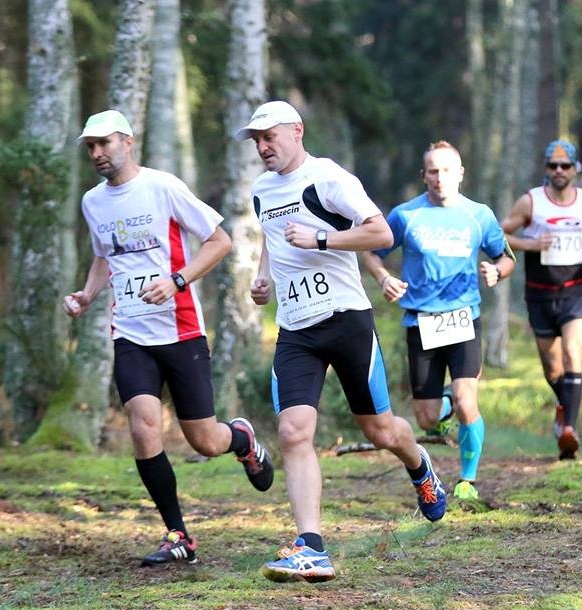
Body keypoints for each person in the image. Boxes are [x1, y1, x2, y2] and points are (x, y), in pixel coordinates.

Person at [234, 100, 446, 583]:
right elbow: (272, 237)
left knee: (380, 431)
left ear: (297, 131)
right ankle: (311, 547)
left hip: (345, 319)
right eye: (257, 140)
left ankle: (420, 466)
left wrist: (322, 240)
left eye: (269, 137)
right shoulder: (262, 189)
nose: (263, 147)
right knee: (293, 432)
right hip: (295, 328)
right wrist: (264, 278)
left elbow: (380, 232)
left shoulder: (328, 178)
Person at [65, 110, 274, 566]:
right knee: (143, 427)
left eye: (104, 143)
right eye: (90, 147)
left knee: (204, 440)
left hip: (180, 330)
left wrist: (177, 280)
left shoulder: (162, 187)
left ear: (128, 141)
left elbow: (219, 242)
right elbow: (104, 256)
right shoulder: (93, 202)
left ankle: (240, 439)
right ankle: (178, 535)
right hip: (130, 333)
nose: (97, 153)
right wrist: (87, 295)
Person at [362, 141, 516, 501]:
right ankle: (446, 406)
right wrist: (384, 278)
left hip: (464, 318)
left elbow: (506, 257)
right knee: (427, 419)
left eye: (447, 170)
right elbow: (371, 252)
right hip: (421, 323)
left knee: (466, 400)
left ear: (460, 174)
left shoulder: (479, 215)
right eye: (433, 171)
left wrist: (497, 272)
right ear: (423, 176)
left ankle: (467, 481)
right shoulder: (405, 215)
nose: (440, 177)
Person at [501, 140, 582, 459]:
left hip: (576, 290)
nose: (558, 171)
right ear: (546, 168)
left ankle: (570, 430)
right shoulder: (531, 201)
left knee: (572, 352)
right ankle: (564, 406)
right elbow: (500, 233)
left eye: (565, 166)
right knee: (553, 368)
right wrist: (530, 244)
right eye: (553, 166)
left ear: (574, 169)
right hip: (540, 293)